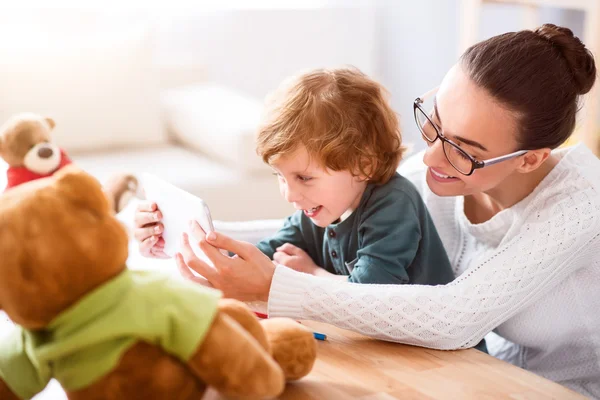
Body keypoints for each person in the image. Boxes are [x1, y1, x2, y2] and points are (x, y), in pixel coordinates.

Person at [153, 24, 600, 397]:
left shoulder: (583, 206)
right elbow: (329, 218)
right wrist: (190, 228)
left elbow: (454, 316)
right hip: (469, 373)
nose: (429, 158)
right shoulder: (440, 176)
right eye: (435, 121)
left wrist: (285, 284)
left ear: (530, 159)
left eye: (463, 150)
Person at [136, 67, 456, 287]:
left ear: (364, 166)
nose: (289, 195)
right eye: (280, 176)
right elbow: (254, 259)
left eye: (303, 178)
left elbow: (371, 293)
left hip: (450, 364)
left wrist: (310, 273)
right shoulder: (314, 214)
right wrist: (177, 243)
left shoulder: (393, 204)